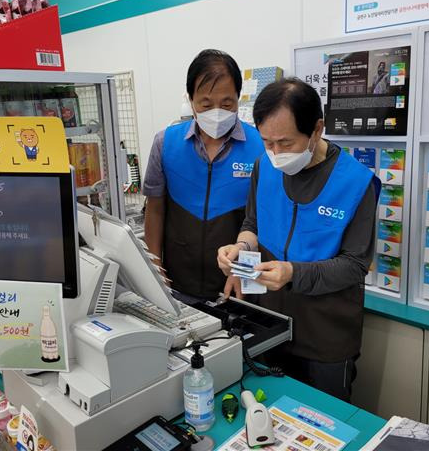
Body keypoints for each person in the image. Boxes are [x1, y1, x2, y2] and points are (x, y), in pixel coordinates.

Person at [217, 78, 380, 402]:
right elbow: (253, 224)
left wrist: (294, 274)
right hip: (269, 326)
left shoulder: (357, 183)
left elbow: (354, 265)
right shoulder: (264, 166)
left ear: (316, 129)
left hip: (326, 339)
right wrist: (241, 252)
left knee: (325, 427)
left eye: (285, 142)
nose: (276, 153)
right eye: (267, 142)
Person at [143, 49, 264, 299]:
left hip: (239, 283)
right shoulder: (166, 143)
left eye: (227, 103)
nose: (216, 112)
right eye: (206, 104)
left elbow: (265, 218)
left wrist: (243, 270)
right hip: (177, 281)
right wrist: (154, 266)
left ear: (238, 98)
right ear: (191, 100)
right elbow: (154, 208)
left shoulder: (261, 147)